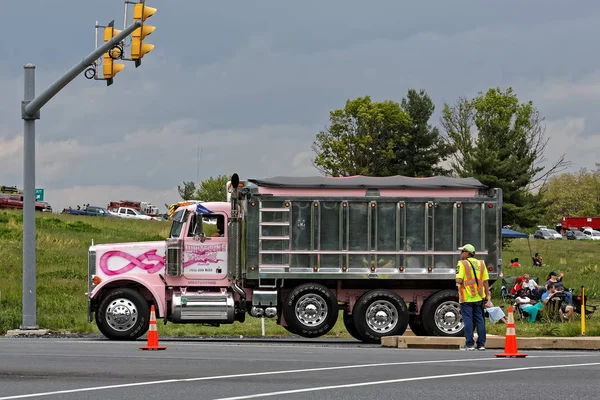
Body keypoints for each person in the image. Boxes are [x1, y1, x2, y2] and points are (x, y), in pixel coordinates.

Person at [455, 244, 490, 351]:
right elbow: (485, 281)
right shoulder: (481, 263)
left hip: (466, 297)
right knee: (480, 320)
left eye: (462, 252)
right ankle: (481, 344)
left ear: (467, 253)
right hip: (479, 297)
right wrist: (487, 295)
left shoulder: (462, 264)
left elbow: (459, 280)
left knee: (468, 320)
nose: (461, 254)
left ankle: (469, 344)